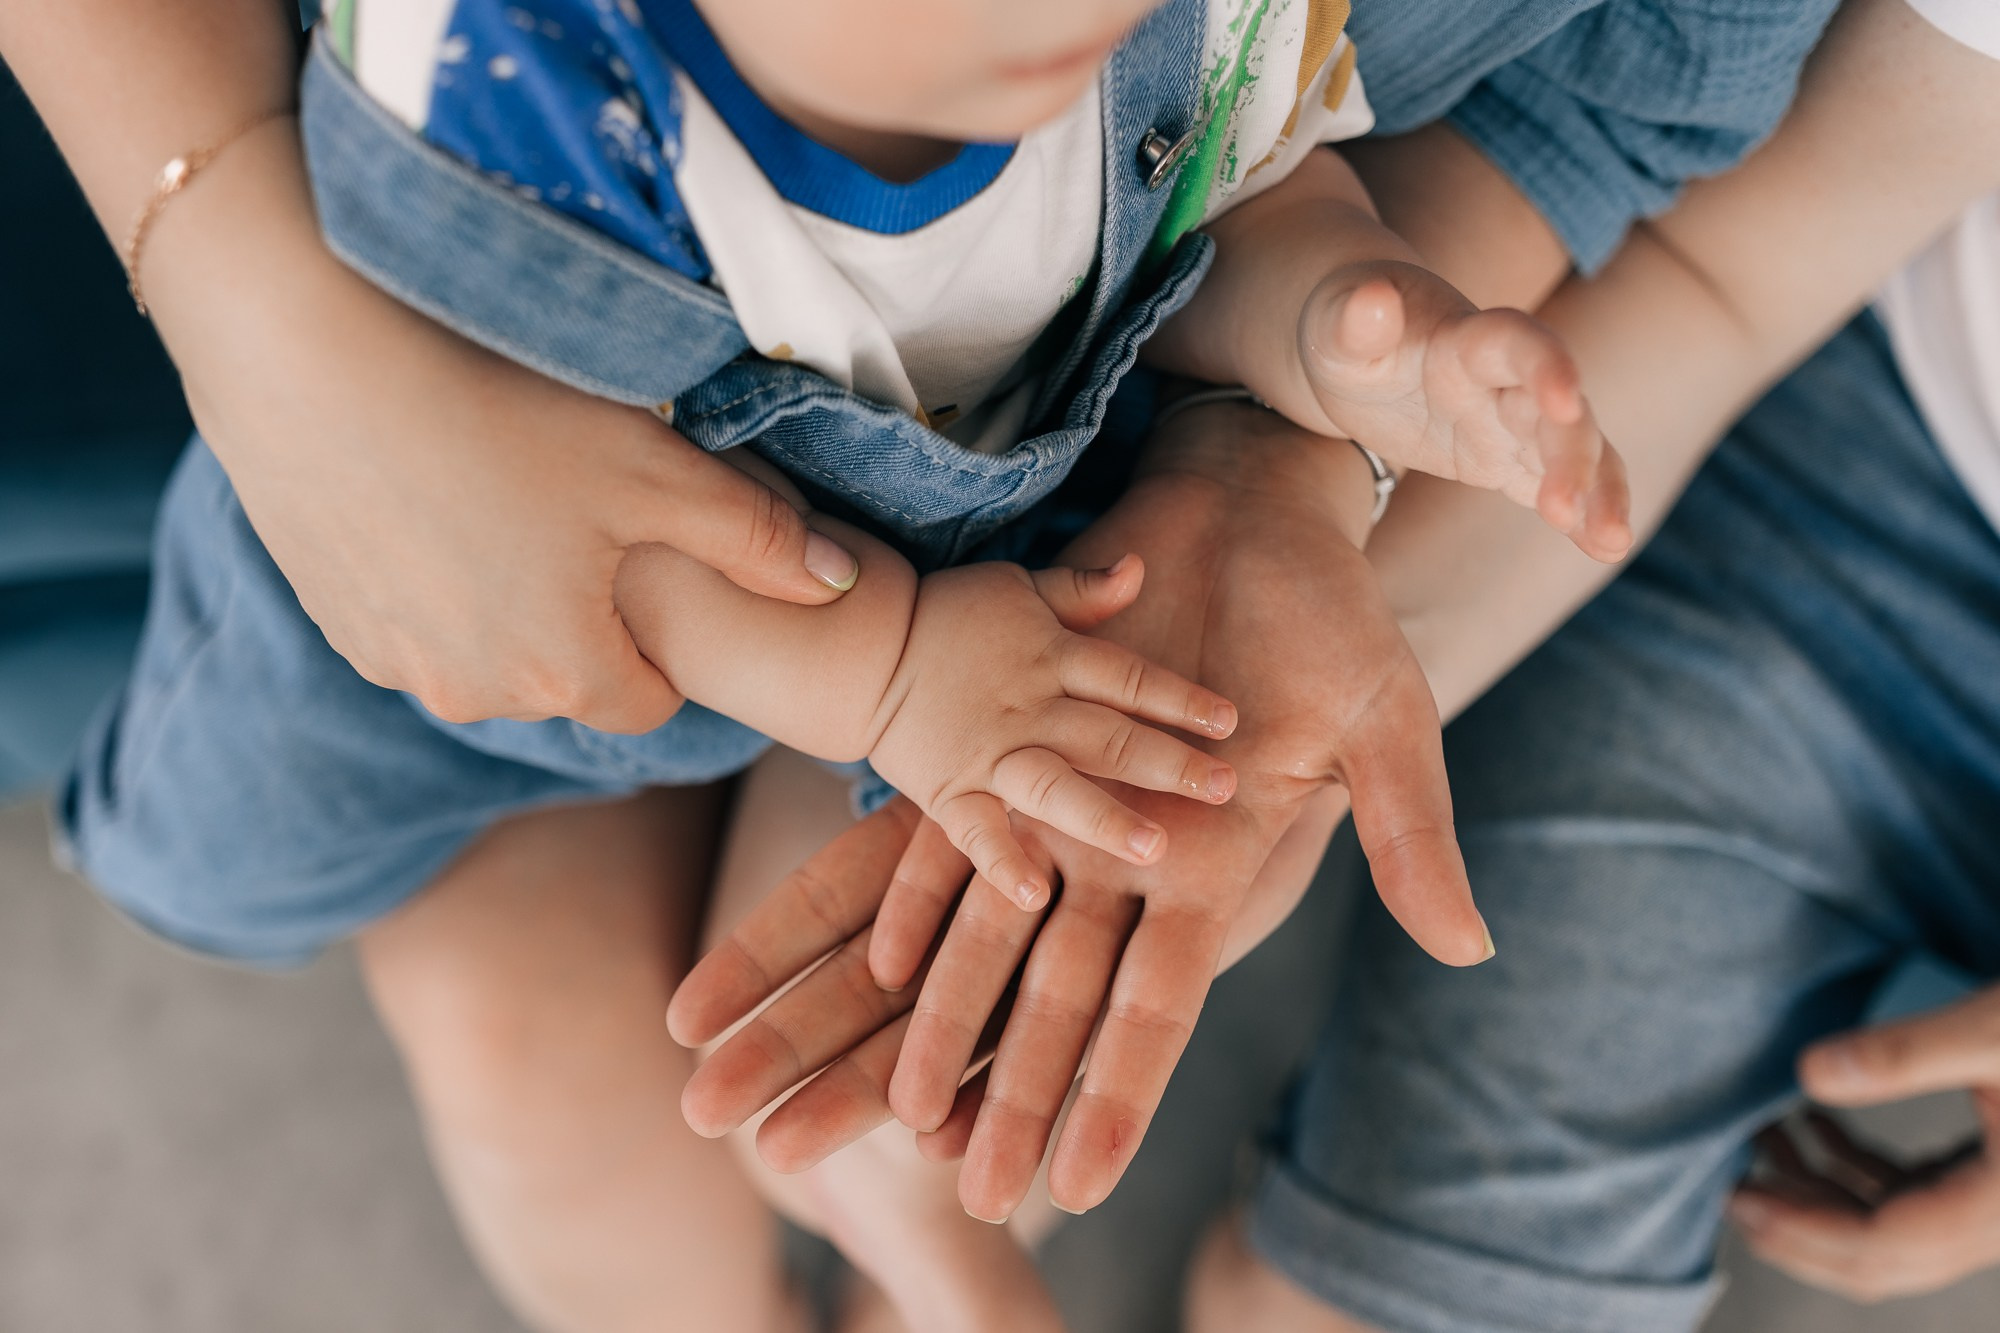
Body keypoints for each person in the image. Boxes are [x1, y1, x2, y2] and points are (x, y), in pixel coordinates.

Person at [5, 1, 1835, 1331]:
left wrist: (1348, 339)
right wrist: (891, 681)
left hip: (977, 549)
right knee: (568, 1094)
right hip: (513, 655)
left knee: (981, 1000)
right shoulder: (504, 107)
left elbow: (1215, 194)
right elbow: (566, 536)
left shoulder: (1068, 30)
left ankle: (928, 1256)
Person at [681, 1, 2000, 1329]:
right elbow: (1714, 269)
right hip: (1847, 428)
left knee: (922, 1104)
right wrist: (1283, 462)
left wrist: (1301, 449)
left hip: (1603, 333)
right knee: (888, 1115)